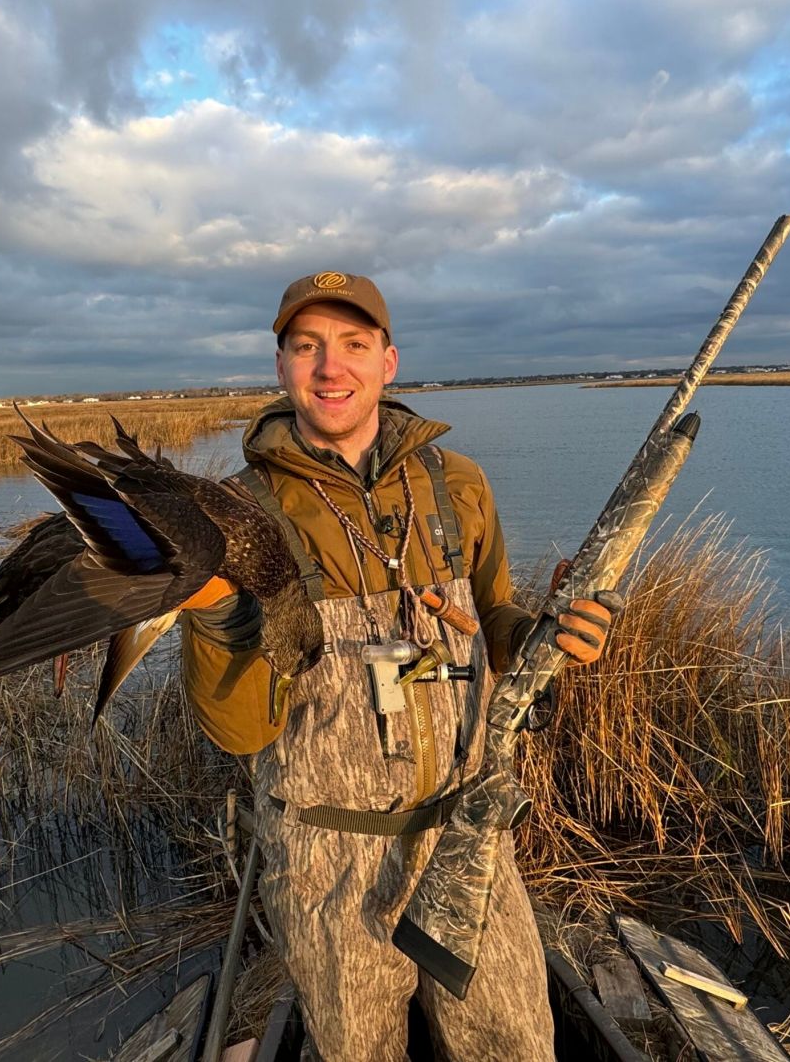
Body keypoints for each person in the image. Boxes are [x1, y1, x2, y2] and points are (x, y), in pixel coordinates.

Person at [178, 271, 613, 1061]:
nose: (329, 367)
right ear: (279, 366)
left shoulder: (458, 488)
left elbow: (496, 625)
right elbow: (238, 730)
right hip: (328, 862)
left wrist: (554, 631)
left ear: (389, 360)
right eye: (305, 346)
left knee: (515, 1045)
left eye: (353, 344)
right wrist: (211, 608)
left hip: (469, 833)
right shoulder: (233, 515)